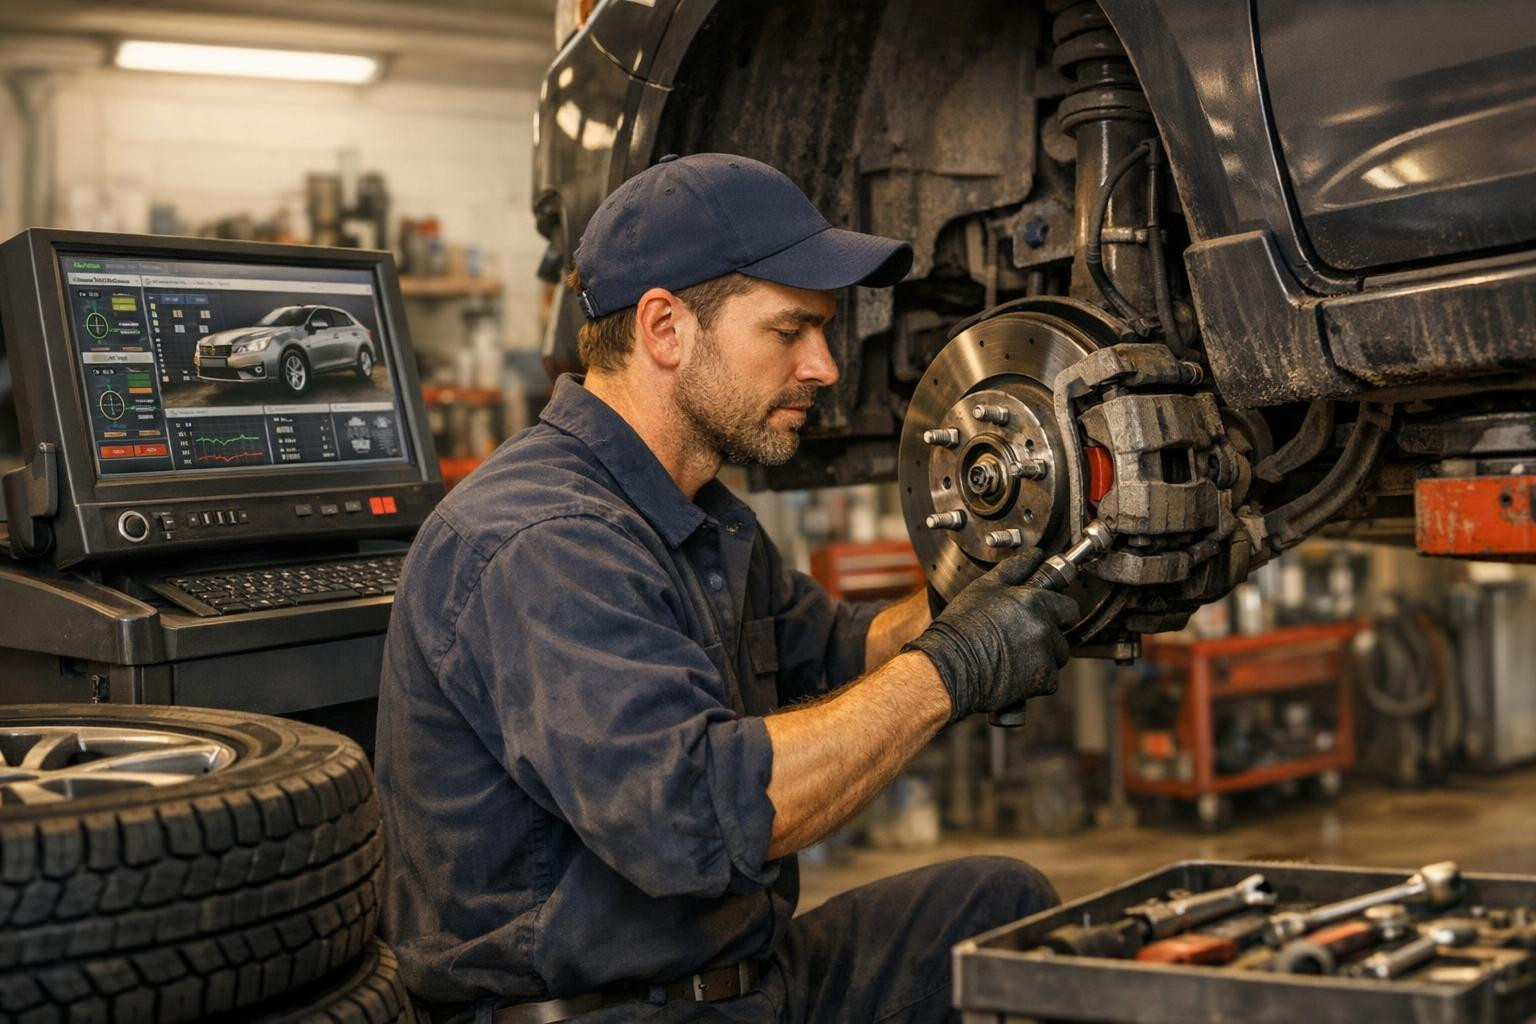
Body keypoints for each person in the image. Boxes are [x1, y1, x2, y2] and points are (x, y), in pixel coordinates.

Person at [375, 153, 1080, 1024]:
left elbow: (842, 650)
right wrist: (953, 667)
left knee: (995, 907)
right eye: (790, 332)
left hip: (742, 977)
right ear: (665, 328)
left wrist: (1001, 589)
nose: (824, 365)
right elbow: (696, 821)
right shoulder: (542, 542)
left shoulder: (694, 513)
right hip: (605, 1010)